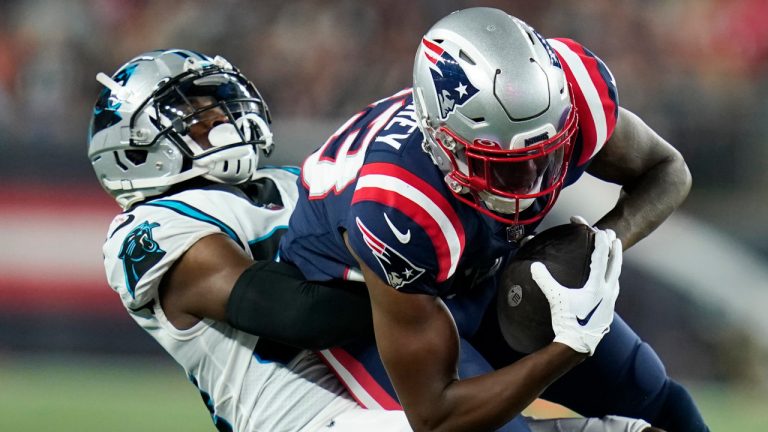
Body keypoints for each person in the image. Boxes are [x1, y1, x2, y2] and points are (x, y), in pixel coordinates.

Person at [88, 48, 652, 432]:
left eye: (222, 104)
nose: (226, 120)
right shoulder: (149, 229)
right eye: (199, 117)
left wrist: (419, 276)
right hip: (305, 417)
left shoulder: (288, 183)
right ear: (134, 147)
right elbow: (292, 310)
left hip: (380, 391)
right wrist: (419, 275)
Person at [279, 7, 709, 432]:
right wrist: (567, 347)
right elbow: (436, 414)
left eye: (545, 155)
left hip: (480, 266)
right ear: (444, 145)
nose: (529, 181)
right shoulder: (398, 206)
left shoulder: (576, 99)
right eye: (503, 166)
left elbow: (667, 170)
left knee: (649, 391)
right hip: (370, 299)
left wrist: (599, 248)